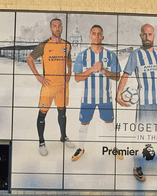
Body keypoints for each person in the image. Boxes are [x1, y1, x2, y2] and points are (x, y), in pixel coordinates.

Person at [116, 23, 157, 182]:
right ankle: (137, 165)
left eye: (150, 34)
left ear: (154, 36)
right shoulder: (136, 54)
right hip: (145, 102)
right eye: (144, 34)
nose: (147, 37)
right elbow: (126, 75)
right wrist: (119, 93)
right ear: (141, 36)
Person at [71, 25, 123, 162]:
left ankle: (114, 147)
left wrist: (104, 71)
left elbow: (117, 76)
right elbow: (77, 78)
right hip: (88, 98)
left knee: (109, 122)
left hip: (105, 97)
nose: (96, 36)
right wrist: (92, 69)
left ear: (103, 37)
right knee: (84, 123)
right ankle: (80, 148)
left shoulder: (110, 55)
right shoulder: (82, 55)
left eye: (99, 34)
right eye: (94, 33)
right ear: (89, 36)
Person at [26, 18, 75, 156]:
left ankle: (63, 136)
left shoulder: (67, 45)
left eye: (60, 26)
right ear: (50, 28)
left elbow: (68, 59)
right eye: (55, 26)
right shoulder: (44, 45)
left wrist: (69, 72)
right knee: (42, 114)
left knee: (62, 112)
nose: (57, 28)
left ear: (62, 28)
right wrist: (38, 76)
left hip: (62, 86)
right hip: (48, 86)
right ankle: (41, 142)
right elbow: (29, 59)